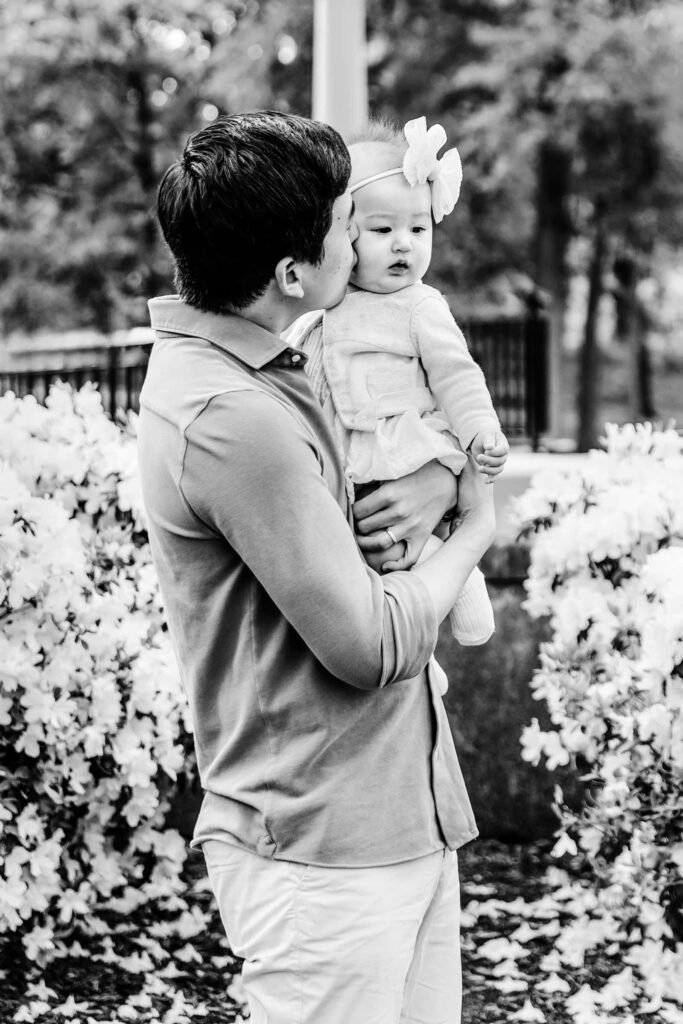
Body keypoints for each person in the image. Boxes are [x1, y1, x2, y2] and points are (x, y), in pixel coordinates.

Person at [137, 110, 496, 1024]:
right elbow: (368, 645)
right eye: (348, 226)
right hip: (321, 847)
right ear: (293, 272)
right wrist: (475, 528)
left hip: (395, 814)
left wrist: (441, 474)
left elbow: (402, 437)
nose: (370, 241)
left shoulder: (277, 364)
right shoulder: (230, 411)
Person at [291, 117, 509, 665]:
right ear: (346, 233)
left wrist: (481, 431)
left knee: (415, 545)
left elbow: (457, 375)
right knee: (377, 557)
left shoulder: (420, 306)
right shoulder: (330, 302)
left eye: (418, 229)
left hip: (405, 446)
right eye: (383, 230)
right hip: (354, 455)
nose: (404, 246)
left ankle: (463, 583)